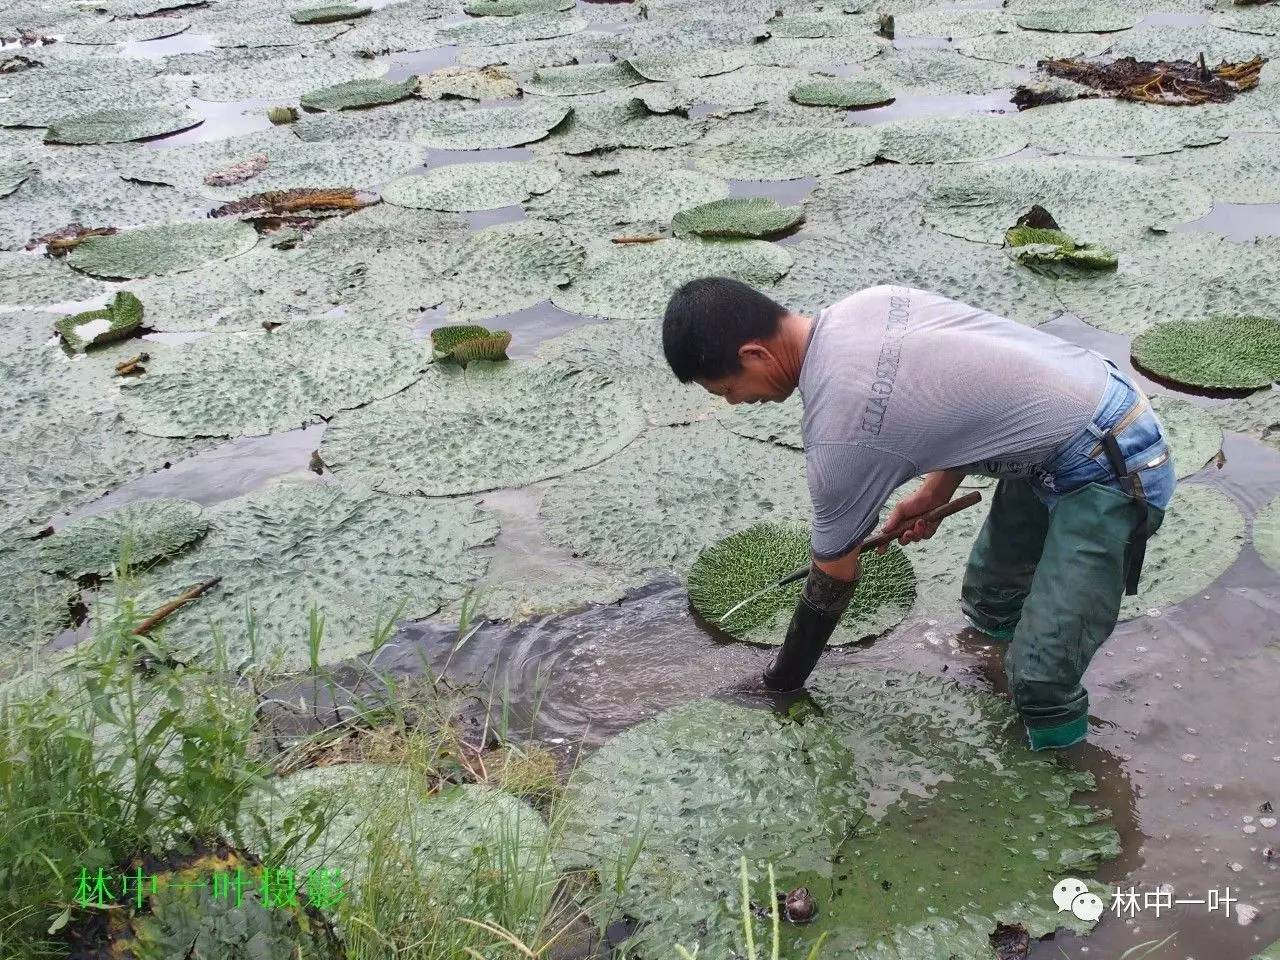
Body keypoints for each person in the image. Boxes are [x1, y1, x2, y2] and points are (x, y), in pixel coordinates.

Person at [662, 278, 1176, 751]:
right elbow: (961, 389)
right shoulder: (868, 304)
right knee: (992, 600)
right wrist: (936, 489)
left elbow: (832, 578)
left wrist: (780, 684)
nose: (733, 403)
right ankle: (995, 678)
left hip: (1113, 463)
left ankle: (1065, 773)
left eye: (727, 389)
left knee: (1042, 680)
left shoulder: (840, 430)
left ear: (755, 353)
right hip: (1057, 425)